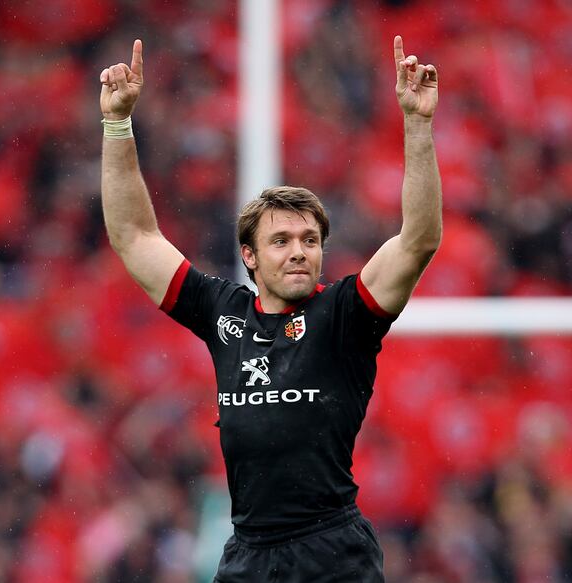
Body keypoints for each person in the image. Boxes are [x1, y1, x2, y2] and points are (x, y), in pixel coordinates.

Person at [99, 34, 441, 583]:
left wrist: (418, 126)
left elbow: (418, 240)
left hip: (331, 553)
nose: (299, 250)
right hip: (249, 555)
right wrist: (118, 126)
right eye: (281, 240)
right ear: (250, 256)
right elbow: (134, 236)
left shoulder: (346, 316)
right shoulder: (223, 312)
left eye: (309, 239)